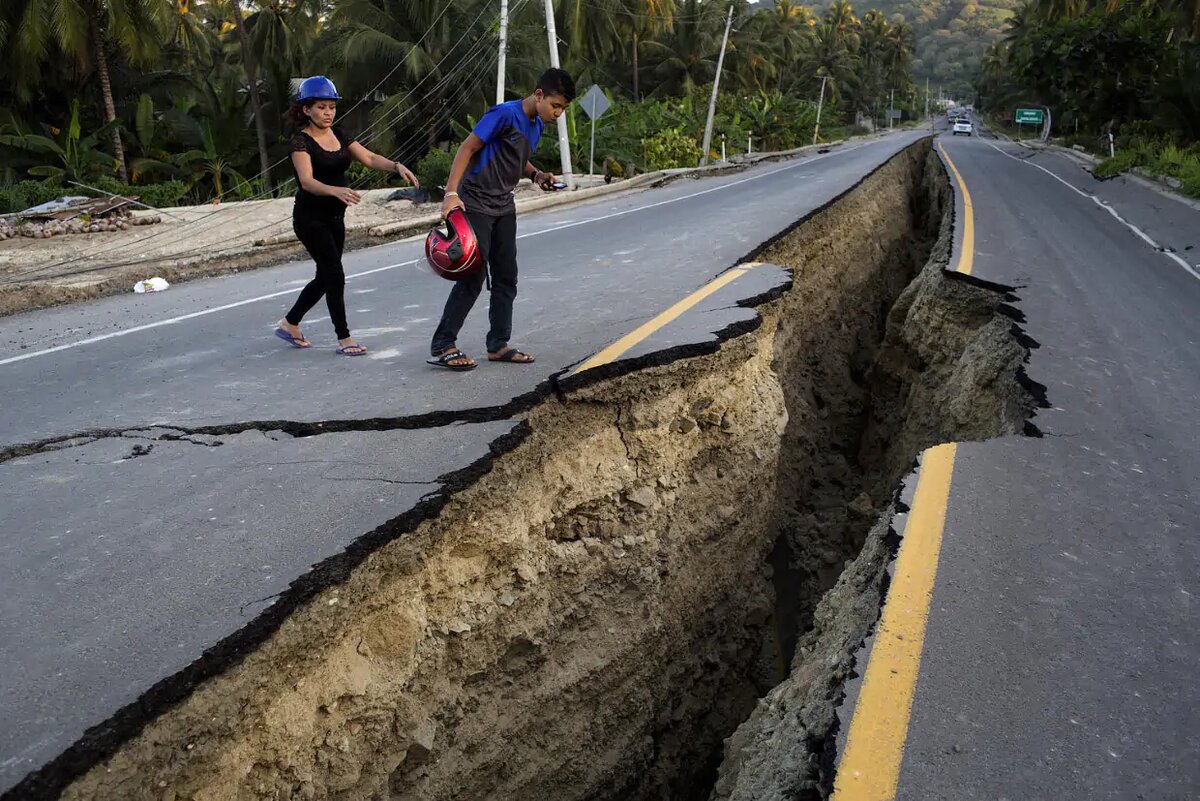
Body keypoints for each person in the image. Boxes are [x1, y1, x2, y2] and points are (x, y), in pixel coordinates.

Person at [427, 67, 576, 371]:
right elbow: (468, 148)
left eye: (563, 108)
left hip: (504, 205)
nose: (558, 113)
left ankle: (498, 344)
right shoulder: (504, 114)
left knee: (507, 276)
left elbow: (516, 156)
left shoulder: (537, 124)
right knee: (474, 276)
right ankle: (443, 343)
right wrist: (451, 193)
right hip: (477, 201)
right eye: (555, 105)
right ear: (538, 95)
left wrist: (535, 174)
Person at [274, 75, 419, 356]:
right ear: (307, 109)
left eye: (331, 107)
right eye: (321, 107)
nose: (328, 113)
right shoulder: (300, 143)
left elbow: (369, 158)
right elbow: (307, 181)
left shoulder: (339, 134)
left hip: (335, 218)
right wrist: (336, 191)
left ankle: (290, 323)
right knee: (335, 275)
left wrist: (396, 166)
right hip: (309, 219)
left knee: (326, 276)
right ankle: (345, 339)